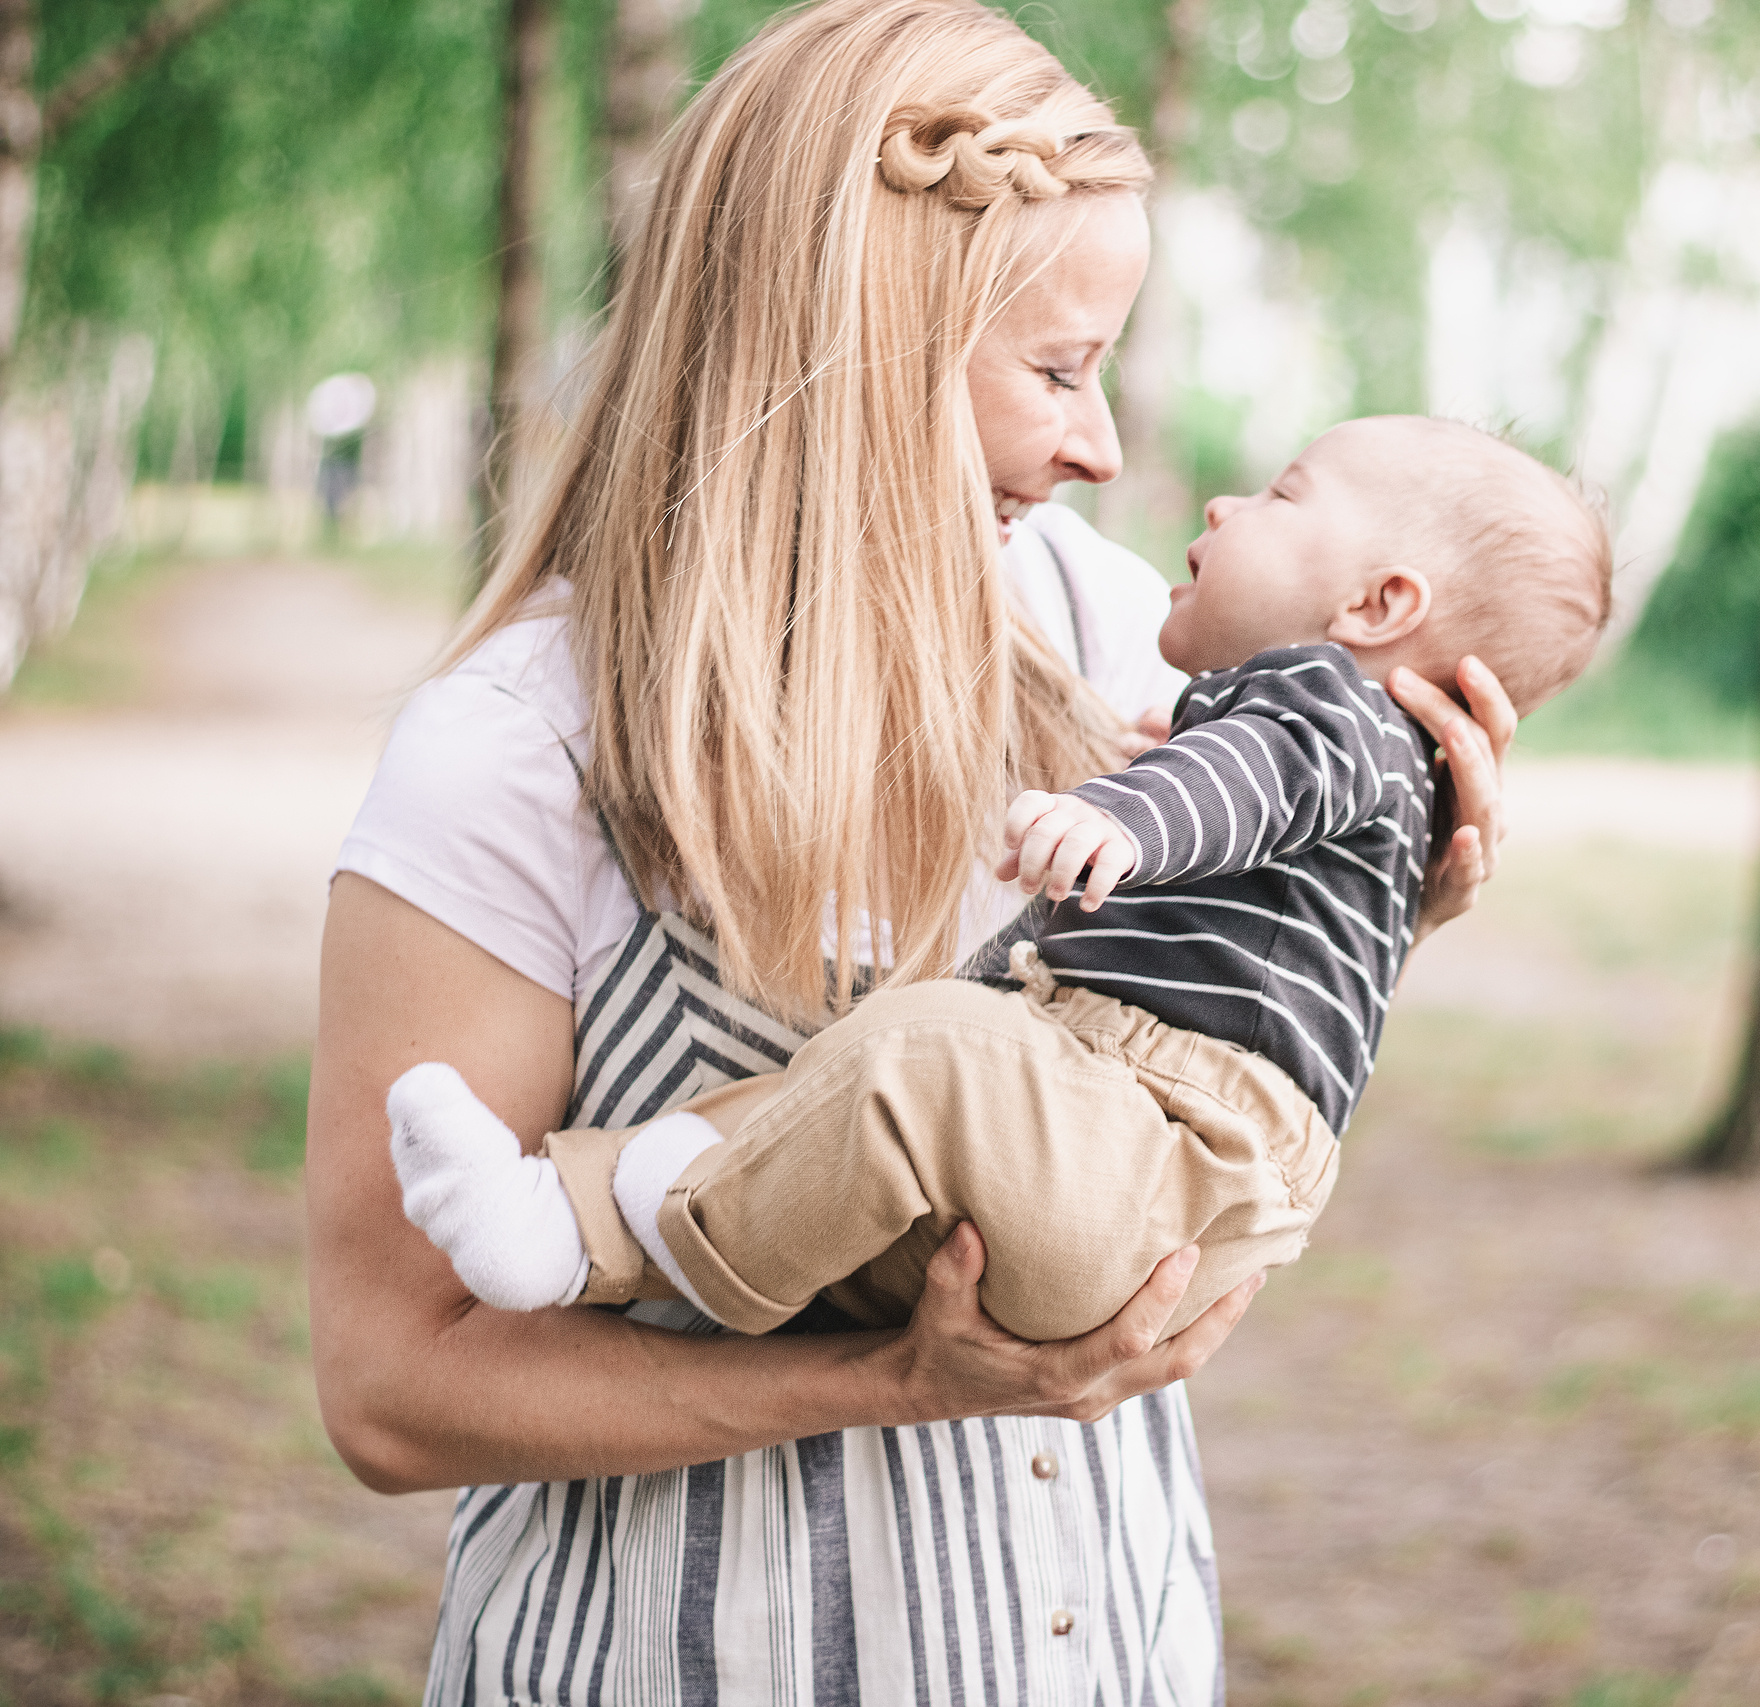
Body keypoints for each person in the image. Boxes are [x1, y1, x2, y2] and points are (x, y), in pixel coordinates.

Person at [301, 4, 1519, 1704]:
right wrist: (890, 1381)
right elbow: (391, 1389)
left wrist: (1389, 898)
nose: (1102, 448)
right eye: (1059, 370)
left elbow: (1171, 1083)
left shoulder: (1110, 625)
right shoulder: (520, 742)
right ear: (870, 343)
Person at [385, 416, 1609, 1353]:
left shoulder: (1327, 703)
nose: (1225, 501)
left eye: (1282, 495)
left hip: (1167, 1131)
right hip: (1150, 1153)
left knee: (918, 1054)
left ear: (1378, 604)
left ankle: (635, 1241)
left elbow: (1252, 775)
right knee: (816, 1101)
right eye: (1059, 371)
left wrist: (1121, 814)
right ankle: (562, 1222)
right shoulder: (1314, 745)